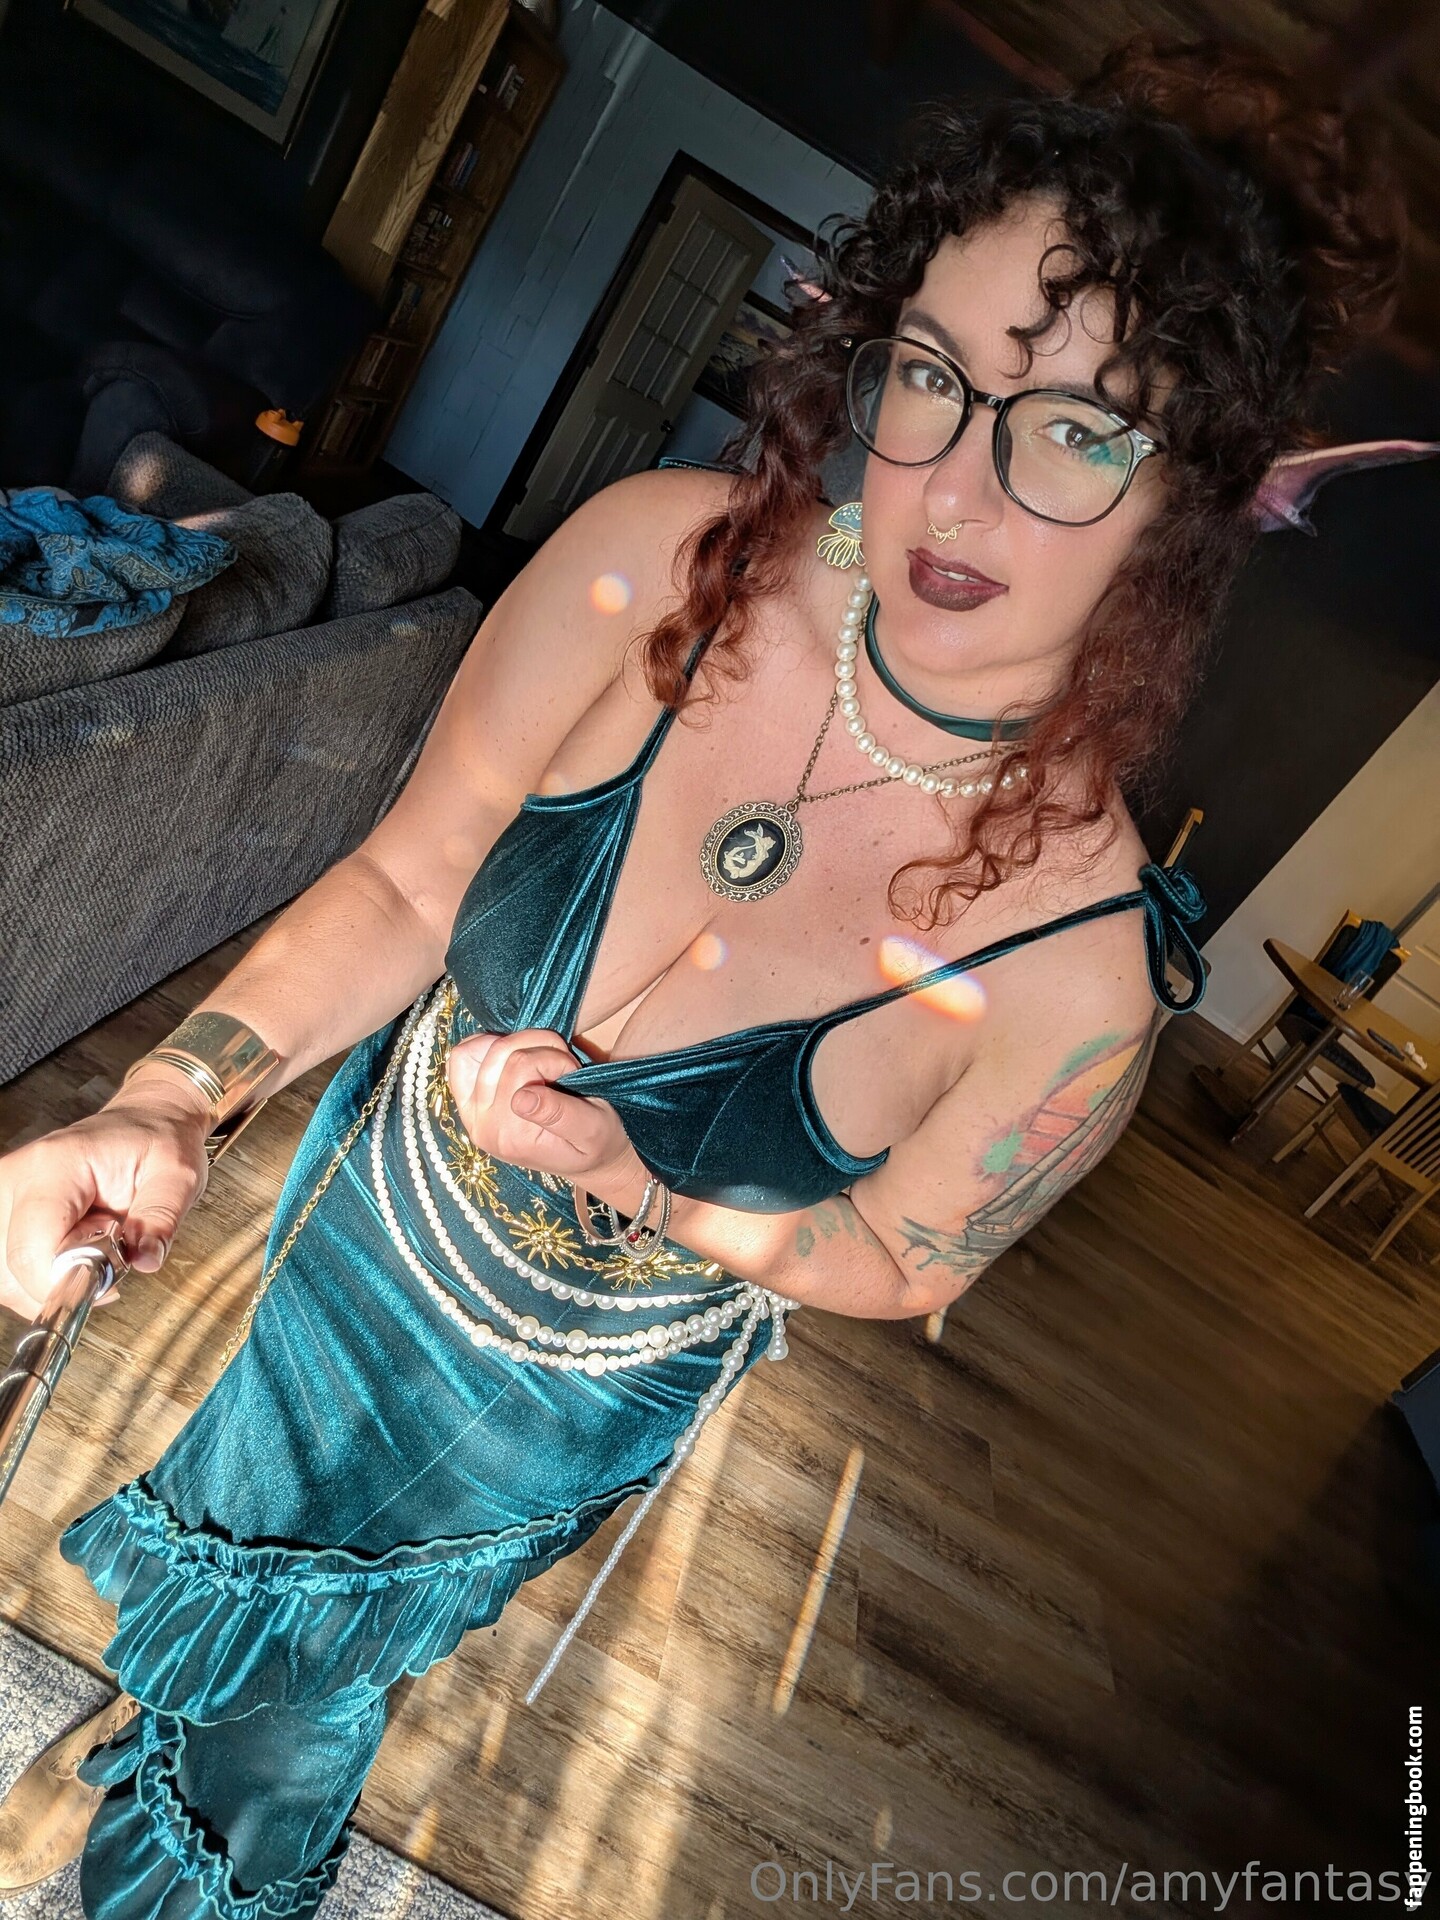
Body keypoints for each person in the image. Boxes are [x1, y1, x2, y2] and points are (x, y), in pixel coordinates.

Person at [0, 28, 1404, 1919]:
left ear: (1199, 499)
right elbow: (413, 879)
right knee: (223, 1560)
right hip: (353, 1225)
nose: (956, 495)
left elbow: (904, 1258)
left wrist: (639, 1183)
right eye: (934, 377)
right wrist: (172, 1095)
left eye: (1080, 430)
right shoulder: (656, 567)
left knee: (300, 1705)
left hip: (549, 1402)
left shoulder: (1079, 978)